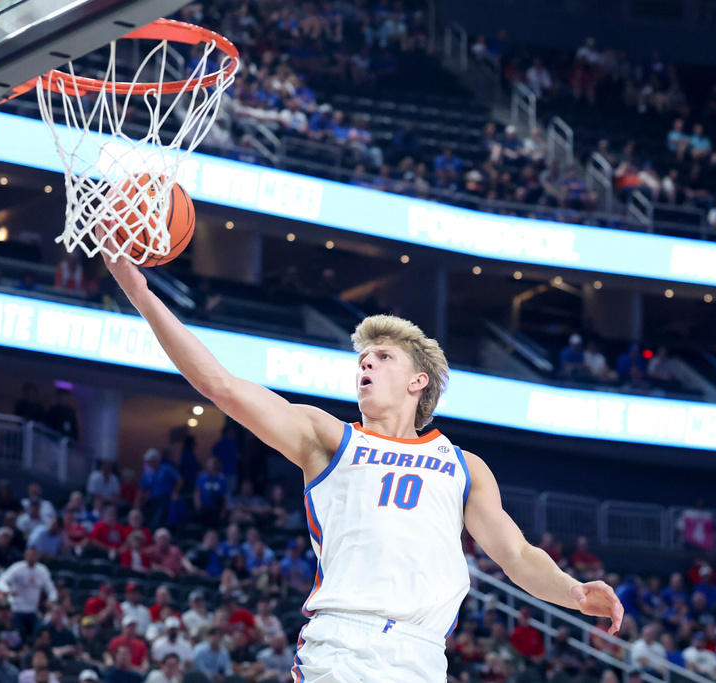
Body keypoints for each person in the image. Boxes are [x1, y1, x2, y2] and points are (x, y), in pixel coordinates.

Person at [99, 253, 624, 682]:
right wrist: (143, 296)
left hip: (423, 655)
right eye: (362, 359)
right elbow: (221, 386)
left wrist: (572, 592)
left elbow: (516, 555)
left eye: (382, 357)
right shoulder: (328, 438)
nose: (365, 364)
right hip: (344, 645)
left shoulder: (465, 467)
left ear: (419, 382)